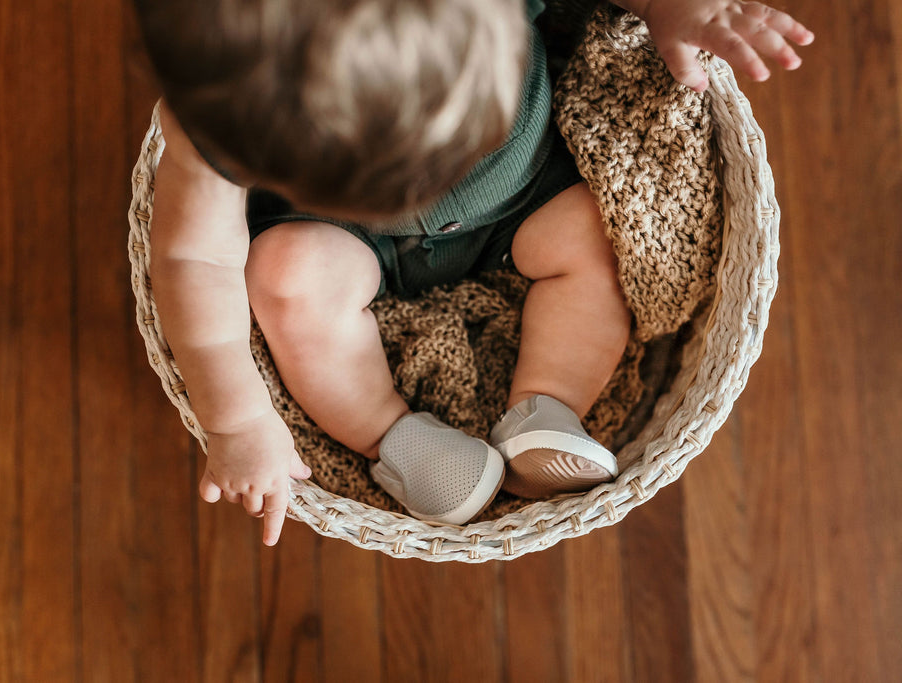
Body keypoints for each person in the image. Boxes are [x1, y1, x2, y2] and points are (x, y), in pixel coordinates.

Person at [133, 0, 813, 545]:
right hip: (349, 244)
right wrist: (237, 418)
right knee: (283, 275)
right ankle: (392, 434)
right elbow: (192, 257)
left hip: (520, 202)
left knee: (601, 232)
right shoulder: (225, 110)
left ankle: (544, 408)